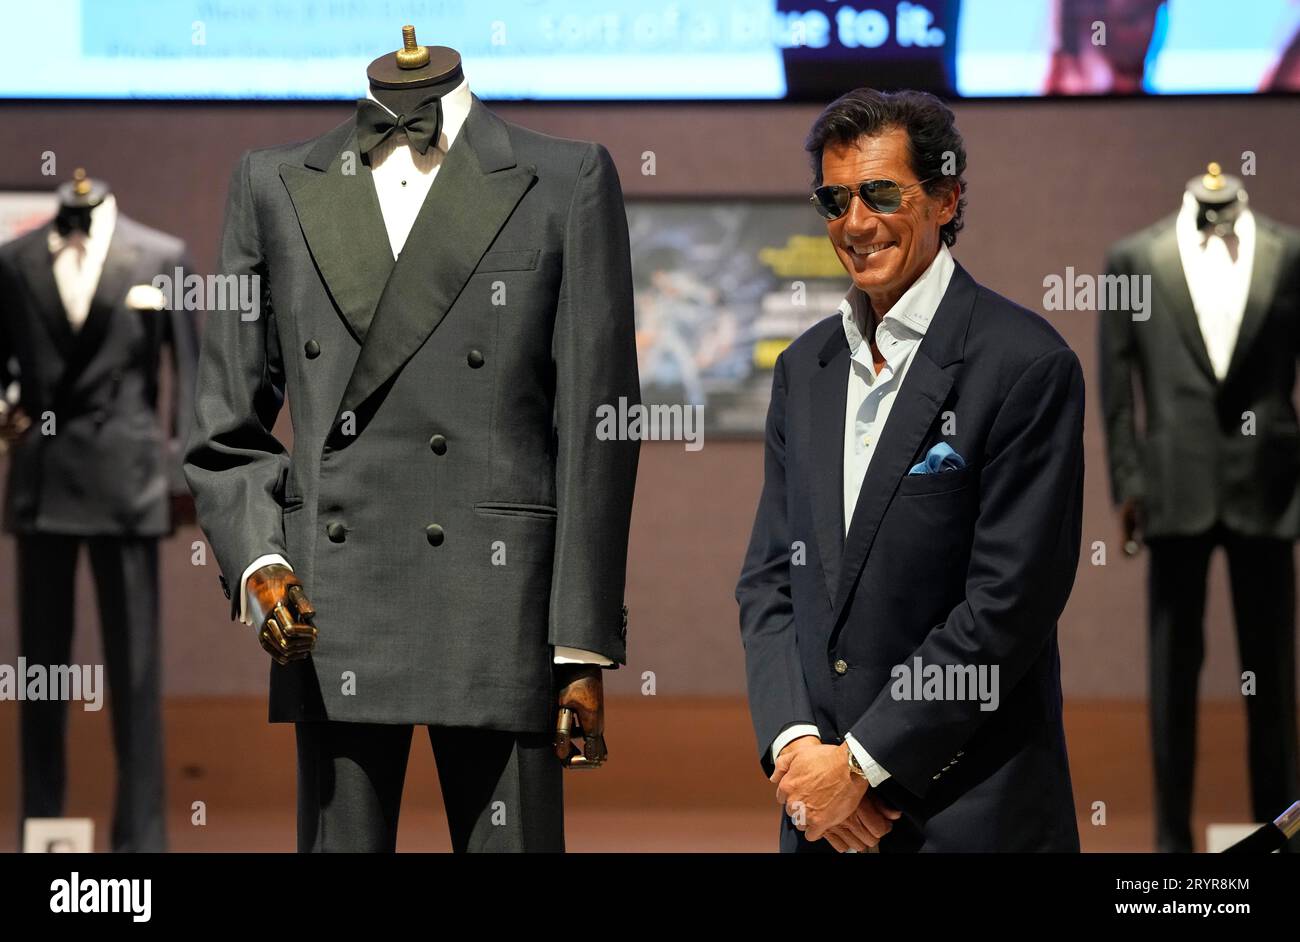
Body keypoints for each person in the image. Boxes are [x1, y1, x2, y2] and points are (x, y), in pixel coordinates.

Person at [737, 88, 1085, 852]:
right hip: (822, 821)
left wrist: (862, 767)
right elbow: (771, 581)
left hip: (970, 815)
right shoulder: (804, 369)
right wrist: (799, 751)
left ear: (946, 196)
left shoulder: (1027, 365)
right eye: (834, 199)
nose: (854, 223)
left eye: (881, 193)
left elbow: (1006, 607)